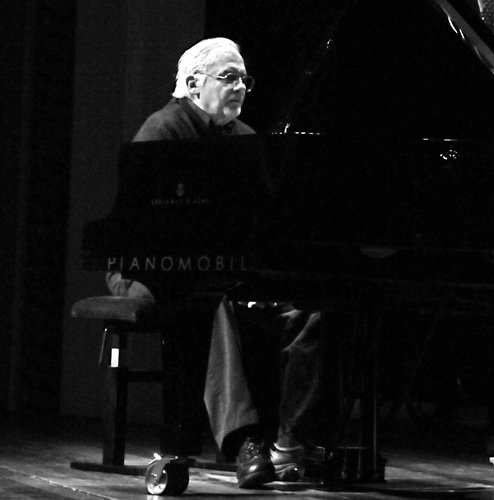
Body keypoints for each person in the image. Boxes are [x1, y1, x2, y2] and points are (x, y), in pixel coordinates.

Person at [107, 37, 339, 489]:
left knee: (310, 309)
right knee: (217, 297)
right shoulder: (162, 130)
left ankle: (290, 444)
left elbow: (266, 222)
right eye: (229, 77)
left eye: (244, 79)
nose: (240, 87)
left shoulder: (246, 140)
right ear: (194, 83)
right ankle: (246, 440)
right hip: (147, 267)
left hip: (226, 267)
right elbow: (139, 225)